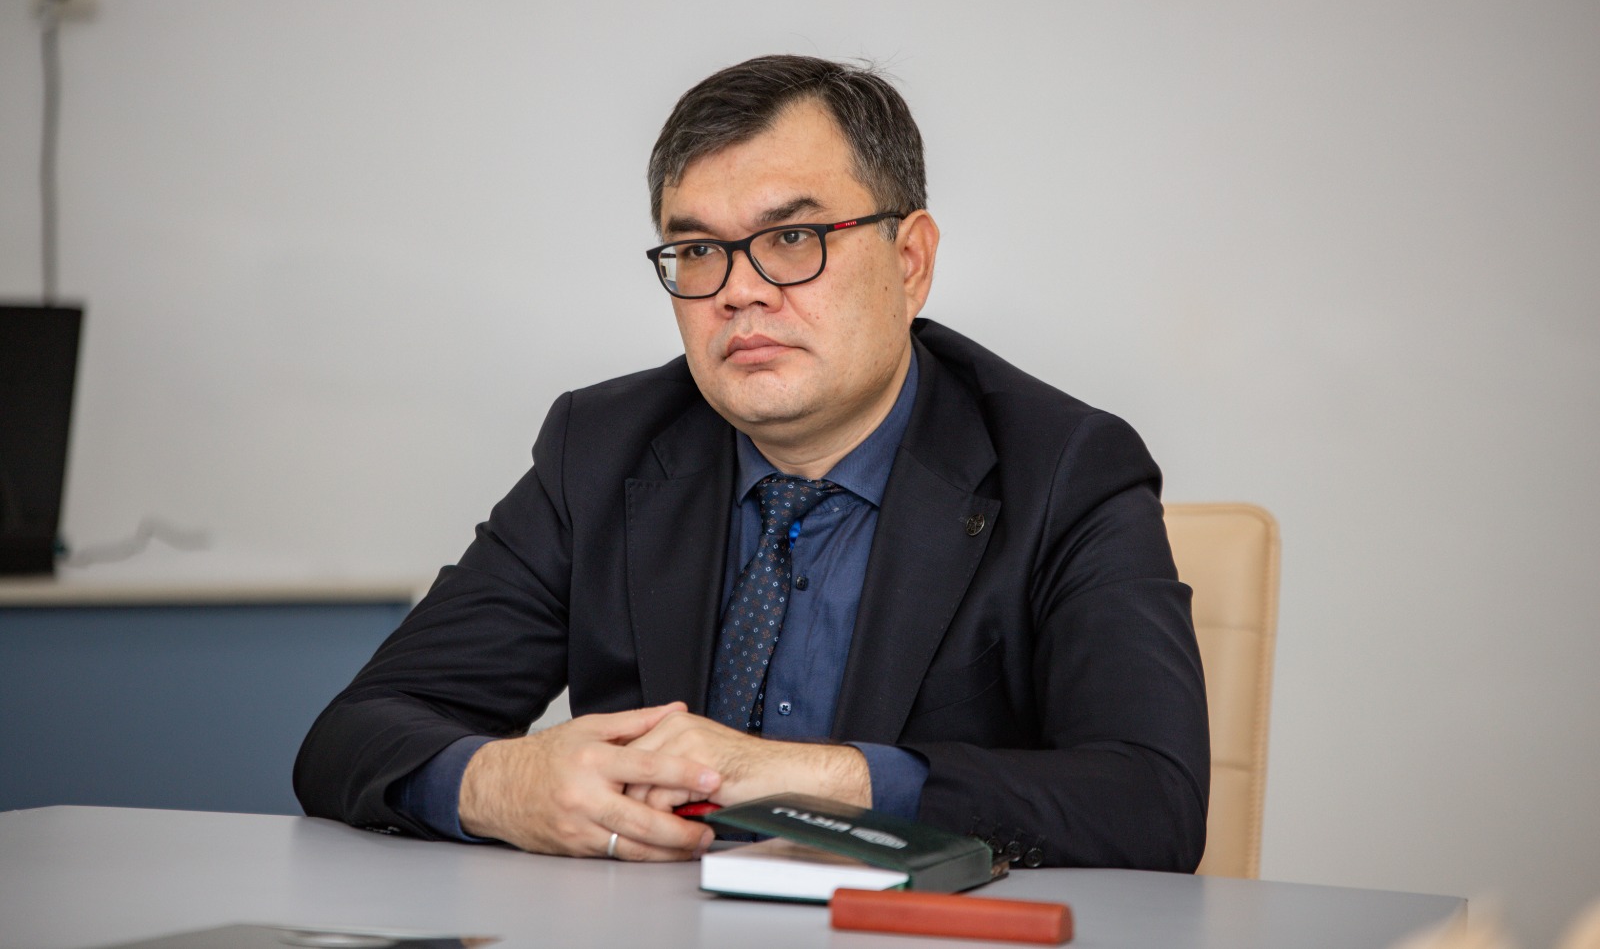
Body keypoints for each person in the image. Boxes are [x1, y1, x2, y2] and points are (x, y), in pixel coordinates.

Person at [294, 55, 1209, 871]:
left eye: (791, 239)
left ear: (909, 261)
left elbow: (1149, 801)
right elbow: (353, 735)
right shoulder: (601, 449)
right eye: (698, 250)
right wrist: (506, 783)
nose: (738, 291)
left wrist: (804, 778)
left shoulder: (1064, 468)